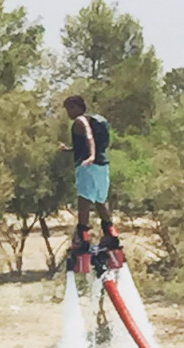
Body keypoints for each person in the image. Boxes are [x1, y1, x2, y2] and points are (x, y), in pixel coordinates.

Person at [60, 95, 119, 254]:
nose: (69, 113)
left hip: (88, 165)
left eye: (70, 108)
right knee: (100, 200)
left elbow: (89, 137)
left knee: (84, 198)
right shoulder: (95, 121)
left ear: (79, 107)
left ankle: (83, 236)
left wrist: (90, 156)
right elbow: (88, 142)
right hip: (102, 165)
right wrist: (70, 150)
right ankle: (111, 233)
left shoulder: (81, 121)